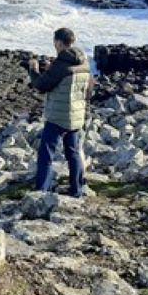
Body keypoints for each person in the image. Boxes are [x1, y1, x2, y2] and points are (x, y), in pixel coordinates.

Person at [28, 27, 93, 198]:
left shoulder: (61, 64)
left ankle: (41, 193)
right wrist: (52, 68)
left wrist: (33, 69)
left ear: (58, 42)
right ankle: (76, 190)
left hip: (58, 116)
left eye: (54, 42)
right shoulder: (83, 62)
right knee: (73, 153)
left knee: (46, 154)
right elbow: (81, 85)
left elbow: (41, 85)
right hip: (76, 115)